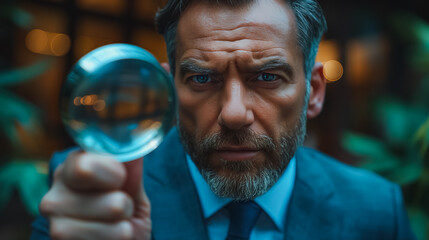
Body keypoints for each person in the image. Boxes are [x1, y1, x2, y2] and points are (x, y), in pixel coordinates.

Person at [31, 0, 416, 239]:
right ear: (169, 93)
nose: (233, 114)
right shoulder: (98, 198)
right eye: (202, 78)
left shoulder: (376, 209)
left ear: (314, 92)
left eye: (267, 77)